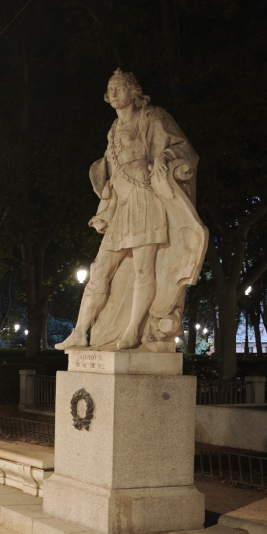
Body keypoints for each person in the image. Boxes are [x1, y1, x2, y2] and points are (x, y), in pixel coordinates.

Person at [55, 69, 206, 351]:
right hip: (123, 207)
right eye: (109, 89)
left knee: (143, 270)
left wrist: (164, 157)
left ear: (134, 91)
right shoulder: (113, 128)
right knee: (99, 270)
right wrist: (105, 210)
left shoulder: (152, 116)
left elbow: (182, 148)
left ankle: (133, 330)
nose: (112, 94)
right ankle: (79, 332)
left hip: (146, 200)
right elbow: (112, 174)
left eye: (118, 88)